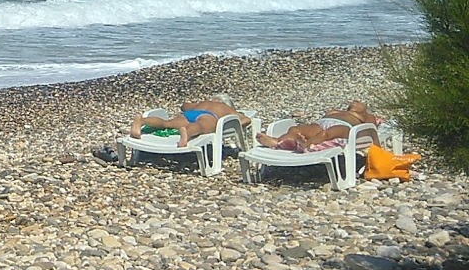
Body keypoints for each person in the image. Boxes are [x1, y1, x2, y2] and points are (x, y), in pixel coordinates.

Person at [256, 100, 384, 152]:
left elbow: (371, 131)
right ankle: (276, 141)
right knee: (295, 129)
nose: (355, 101)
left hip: (344, 127)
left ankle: (306, 145)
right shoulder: (338, 111)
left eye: (359, 102)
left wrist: (378, 150)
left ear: (365, 109)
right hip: (321, 123)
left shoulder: (367, 117)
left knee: (326, 134)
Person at [129, 98, 237, 148]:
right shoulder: (225, 107)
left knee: (167, 124)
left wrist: (193, 104)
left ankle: (142, 120)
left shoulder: (202, 103)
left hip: (189, 114)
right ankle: (187, 134)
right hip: (207, 116)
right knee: (200, 126)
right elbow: (244, 119)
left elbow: (184, 106)